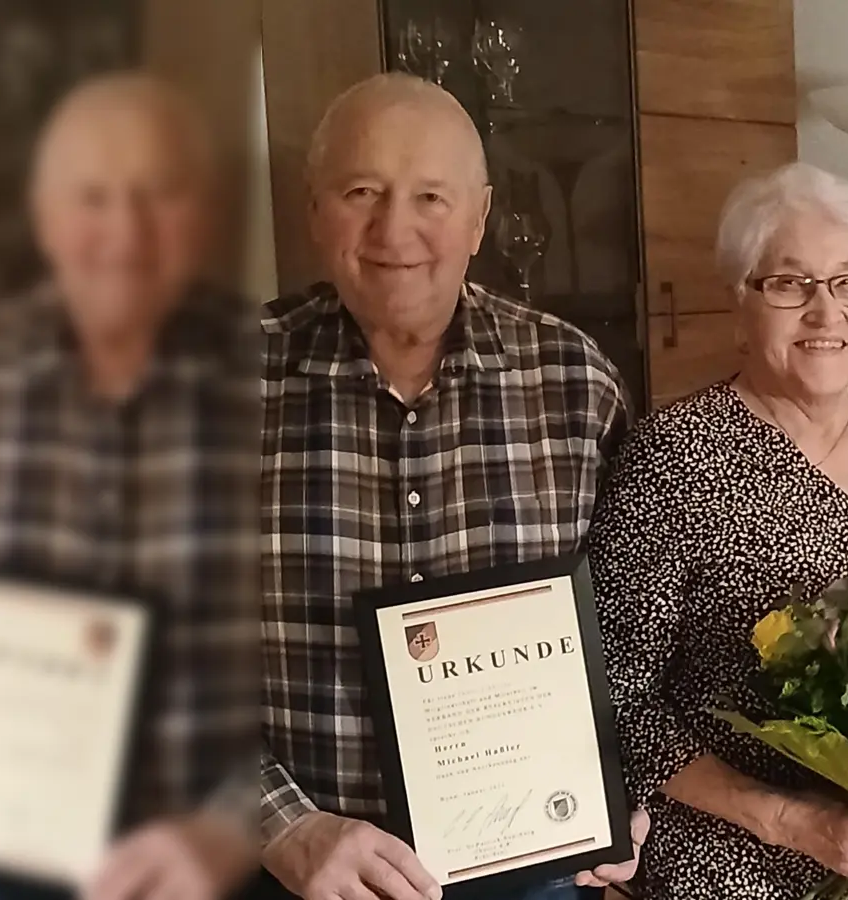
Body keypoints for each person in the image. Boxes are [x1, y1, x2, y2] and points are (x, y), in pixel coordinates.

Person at [254, 74, 645, 900]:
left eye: (431, 196)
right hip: (300, 875)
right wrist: (279, 825)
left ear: (480, 217)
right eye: (362, 192)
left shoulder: (576, 382)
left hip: (538, 871)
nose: (395, 229)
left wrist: (625, 793)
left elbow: (636, 628)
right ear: (315, 210)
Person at [589, 161, 848, 899]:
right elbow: (621, 699)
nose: (826, 313)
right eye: (791, 284)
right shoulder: (675, 454)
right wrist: (796, 822)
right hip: (731, 856)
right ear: (740, 303)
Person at [0, 73, 261, 900]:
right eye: (92, 197)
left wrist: (236, 826)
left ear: (204, 216)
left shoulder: (279, 380)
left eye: (158, 194)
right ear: (44, 216)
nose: (125, 232)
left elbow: (320, 671)